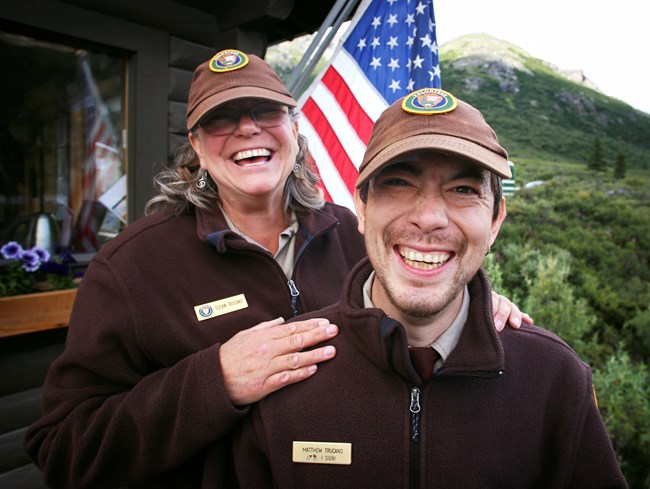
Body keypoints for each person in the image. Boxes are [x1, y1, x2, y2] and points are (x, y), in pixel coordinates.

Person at [24, 51, 529, 489]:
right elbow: (64, 449)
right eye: (222, 118)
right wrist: (213, 382)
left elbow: (419, 323)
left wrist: (464, 305)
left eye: (266, 111)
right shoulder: (131, 268)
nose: (248, 128)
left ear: (294, 129)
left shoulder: (363, 236)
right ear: (197, 146)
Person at [232, 88, 628, 488]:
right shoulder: (287, 373)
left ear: (495, 220)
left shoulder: (554, 379)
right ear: (362, 207)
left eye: (463, 190)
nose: (429, 218)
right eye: (400, 182)